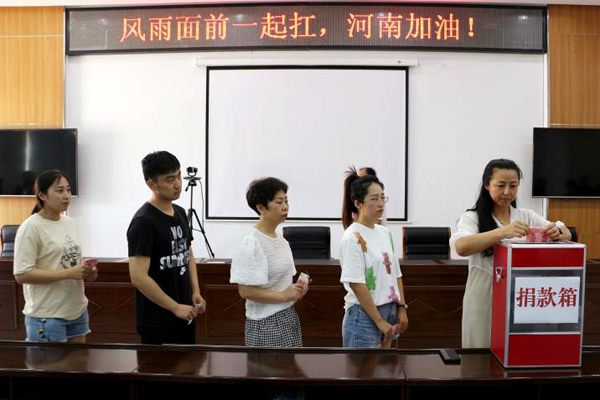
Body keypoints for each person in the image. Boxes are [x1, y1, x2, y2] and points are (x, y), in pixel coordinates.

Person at [450, 158, 571, 348]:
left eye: (513, 186)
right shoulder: (472, 218)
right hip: (484, 293)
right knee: (480, 350)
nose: (507, 192)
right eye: (501, 185)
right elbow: (461, 246)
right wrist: (502, 232)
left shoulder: (525, 215)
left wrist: (557, 231)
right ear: (487, 185)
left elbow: (566, 232)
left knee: (515, 349)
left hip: (521, 294)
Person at [127, 151, 206, 345]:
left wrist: (195, 291)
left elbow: (187, 253)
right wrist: (174, 307)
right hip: (157, 320)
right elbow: (138, 277)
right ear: (152, 185)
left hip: (185, 312)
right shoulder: (144, 222)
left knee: (188, 363)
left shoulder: (179, 212)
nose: (178, 184)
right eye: (170, 179)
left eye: (179, 176)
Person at [13, 170, 97, 342]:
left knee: (79, 360)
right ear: (42, 195)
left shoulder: (69, 222)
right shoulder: (31, 227)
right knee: (52, 361)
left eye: (68, 190)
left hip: (77, 310)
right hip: (47, 316)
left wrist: (87, 271)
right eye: (60, 191)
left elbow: (67, 262)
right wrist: (69, 273)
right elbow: (22, 274)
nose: (67, 195)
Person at [230, 177, 307, 347]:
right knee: (268, 364)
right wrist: (284, 296)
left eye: (286, 201)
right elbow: (245, 291)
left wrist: (296, 291)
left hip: (288, 315)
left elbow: (280, 284)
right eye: (279, 202)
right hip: (265, 322)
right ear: (261, 208)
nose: (285, 206)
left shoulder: (281, 240)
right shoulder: (252, 243)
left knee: (292, 364)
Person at [340, 168, 408, 348]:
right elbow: (357, 284)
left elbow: (396, 274)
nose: (380, 204)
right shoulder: (352, 236)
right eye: (374, 199)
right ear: (358, 203)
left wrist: (401, 307)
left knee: (386, 365)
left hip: (389, 310)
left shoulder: (384, 232)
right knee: (364, 366)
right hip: (364, 315)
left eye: (382, 198)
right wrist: (378, 321)